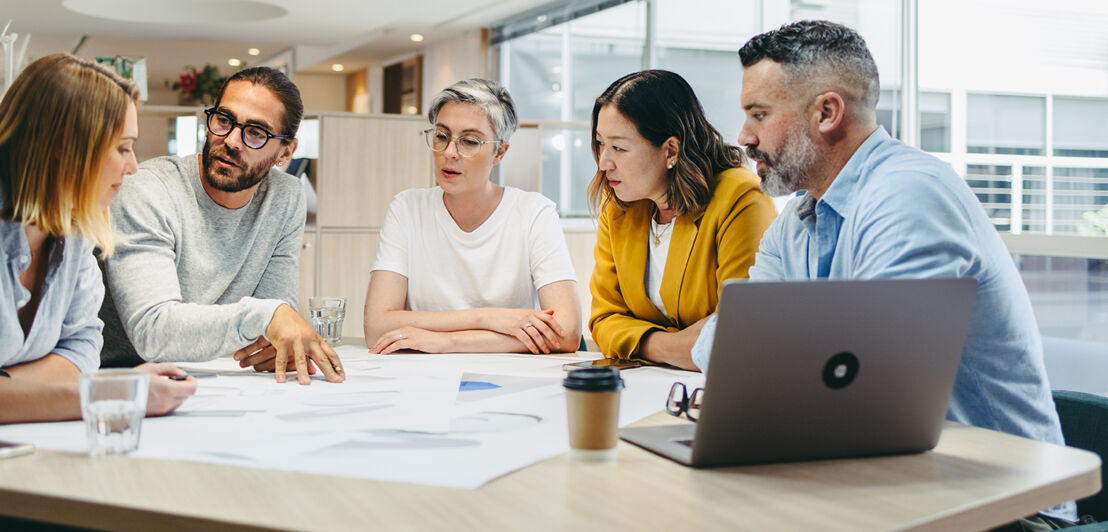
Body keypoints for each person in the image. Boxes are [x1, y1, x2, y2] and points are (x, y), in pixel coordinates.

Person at [690, 20, 1075, 526]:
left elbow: (871, 392)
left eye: (759, 114)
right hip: (889, 484)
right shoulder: (797, 223)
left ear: (827, 111)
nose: (744, 137)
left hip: (999, 506)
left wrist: (780, 350)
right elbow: (721, 348)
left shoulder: (907, 195)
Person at [99, 66, 344, 386]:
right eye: (224, 120)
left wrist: (272, 331)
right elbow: (153, 332)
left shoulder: (286, 197)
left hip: (209, 380)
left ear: (286, 151)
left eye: (256, 132)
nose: (230, 141)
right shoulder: (148, 189)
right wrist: (267, 317)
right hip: (118, 379)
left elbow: (271, 336)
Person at [0, 53, 195, 423]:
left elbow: (81, 348)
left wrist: (13, 394)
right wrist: (115, 393)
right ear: (64, 146)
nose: (133, 166)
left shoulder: (73, 233)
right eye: (122, 147)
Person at [366, 78, 581, 355]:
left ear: (499, 152)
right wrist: (487, 318)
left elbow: (567, 332)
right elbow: (377, 327)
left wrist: (448, 342)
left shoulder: (533, 213)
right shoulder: (407, 208)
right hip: (423, 376)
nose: (450, 153)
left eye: (469, 141)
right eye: (442, 136)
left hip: (512, 378)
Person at [588, 70, 776, 370]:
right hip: (645, 386)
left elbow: (739, 328)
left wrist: (635, 339)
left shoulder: (741, 198)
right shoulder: (620, 205)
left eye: (619, 148)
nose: (603, 163)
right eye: (600, 144)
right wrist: (669, 347)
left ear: (671, 150)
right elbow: (604, 318)